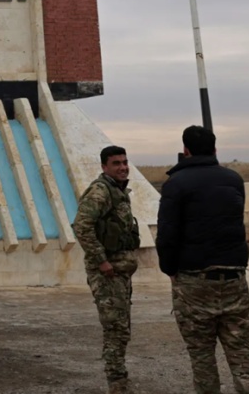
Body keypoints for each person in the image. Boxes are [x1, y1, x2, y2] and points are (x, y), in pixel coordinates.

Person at [156, 126, 249, 394]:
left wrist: (169, 268)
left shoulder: (175, 184)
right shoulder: (233, 180)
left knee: (202, 354)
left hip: (195, 280)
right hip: (234, 277)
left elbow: (167, 233)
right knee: (241, 351)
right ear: (215, 149)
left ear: (185, 150)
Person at [73, 145, 141, 394]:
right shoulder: (100, 191)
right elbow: (81, 226)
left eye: (125, 162)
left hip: (120, 273)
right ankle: (117, 384)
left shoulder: (118, 191)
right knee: (115, 328)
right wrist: (102, 261)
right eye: (116, 163)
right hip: (107, 274)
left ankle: (119, 381)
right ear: (104, 167)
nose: (123, 167)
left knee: (121, 328)